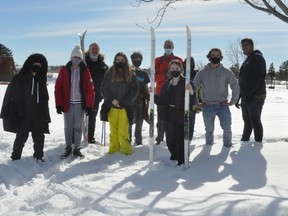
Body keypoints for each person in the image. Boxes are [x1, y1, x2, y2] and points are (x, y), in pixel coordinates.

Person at [0, 53, 51, 161]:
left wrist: (45, 114)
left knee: (39, 137)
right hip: (23, 114)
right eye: (35, 63)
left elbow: (44, 98)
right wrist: (19, 111)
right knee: (21, 137)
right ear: (30, 64)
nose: (37, 66)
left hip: (38, 114)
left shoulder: (41, 80)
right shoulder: (20, 78)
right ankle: (15, 157)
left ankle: (38, 157)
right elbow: (13, 95)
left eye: (39, 65)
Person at [193, 48, 240, 147]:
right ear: (209, 57)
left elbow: (235, 86)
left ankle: (227, 147)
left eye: (218, 55)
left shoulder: (226, 72)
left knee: (227, 128)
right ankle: (208, 148)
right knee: (209, 130)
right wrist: (197, 104)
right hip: (207, 106)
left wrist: (232, 102)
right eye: (213, 55)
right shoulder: (202, 73)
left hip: (222, 105)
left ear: (221, 58)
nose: (215, 57)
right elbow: (194, 88)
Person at [55, 45, 95, 159]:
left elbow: (90, 89)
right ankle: (68, 146)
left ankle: (76, 147)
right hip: (67, 103)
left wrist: (89, 105)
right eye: (75, 57)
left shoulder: (85, 71)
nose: (76, 59)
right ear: (71, 57)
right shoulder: (64, 70)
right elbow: (58, 88)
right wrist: (59, 104)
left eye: (79, 57)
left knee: (78, 126)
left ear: (81, 59)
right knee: (68, 126)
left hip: (79, 103)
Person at [155, 59, 196, 166]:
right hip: (170, 114)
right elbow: (162, 100)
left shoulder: (187, 82)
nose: (174, 70)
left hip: (183, 113)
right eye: (172, 68)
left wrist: (191, 91)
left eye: (177, 68)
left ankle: (182, 159)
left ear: (181, 69)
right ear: (169, 70)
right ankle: (175, 154)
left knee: (181, 138)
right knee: (170, 139)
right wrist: (152, 95)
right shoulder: (167, 83)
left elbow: (194, 101)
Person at [100, 52, 138, 155]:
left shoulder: (131, 73)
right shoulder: (110, 72)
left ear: (125, 61)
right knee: (113, 131)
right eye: (118, 60)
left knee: (123, 131)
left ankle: (126, 151)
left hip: (125, 108)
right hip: (112, 107)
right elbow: (104, 89)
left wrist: (125, 102)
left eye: (122, 60)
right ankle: (113, 150)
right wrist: (112, 99)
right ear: (115, 61)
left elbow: (134, 90)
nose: (120, 62)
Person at [237, 38, 266, 143]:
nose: (244, 47)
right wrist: (239, 97)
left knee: (254, 119)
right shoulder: (248, 60)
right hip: (246, 96)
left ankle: (258, 141)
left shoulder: (257, 58)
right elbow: (243, 82)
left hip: (256, 96)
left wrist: (249, 94)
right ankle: (245, 140)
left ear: (252, 46)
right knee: (247, 120)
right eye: (243, 46)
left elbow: (257, 78)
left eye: (247, 45)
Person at [155, 39, 183, 145]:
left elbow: (182, 75)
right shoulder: (158, 60)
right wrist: (165, 76)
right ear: (163, 47)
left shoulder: (178, 59)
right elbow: (154, 76)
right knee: (161, 118)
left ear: (173, 47)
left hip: (175, 94)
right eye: (166, 46)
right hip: (161, 93)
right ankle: (160, 137)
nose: (168, 48)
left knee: (174, 117)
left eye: (170, 46)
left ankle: (173, 137)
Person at [85, 42, 108, 144]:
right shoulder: (84, 63)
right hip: (83, 94)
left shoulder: (103, 66)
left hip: (96, 95)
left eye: (96, 49)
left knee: (92, 116)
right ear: (89, 50)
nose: (94, 50)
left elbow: (107, 81)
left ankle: (90, 137)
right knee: (79, 116)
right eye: (93, 48)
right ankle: (77, 136)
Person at [130, 51, 150, 145]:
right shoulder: (128, 72)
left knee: (139, 121)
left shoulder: (144, 73)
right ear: (132, 60)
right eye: (135, 58)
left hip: (141, 101)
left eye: (138, 59)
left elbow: (146, 87)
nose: (136, 60)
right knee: (129, 121)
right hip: (130, 101)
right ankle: (127, 140)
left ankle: (138, 140)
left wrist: (147, 97)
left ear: (141, 60)